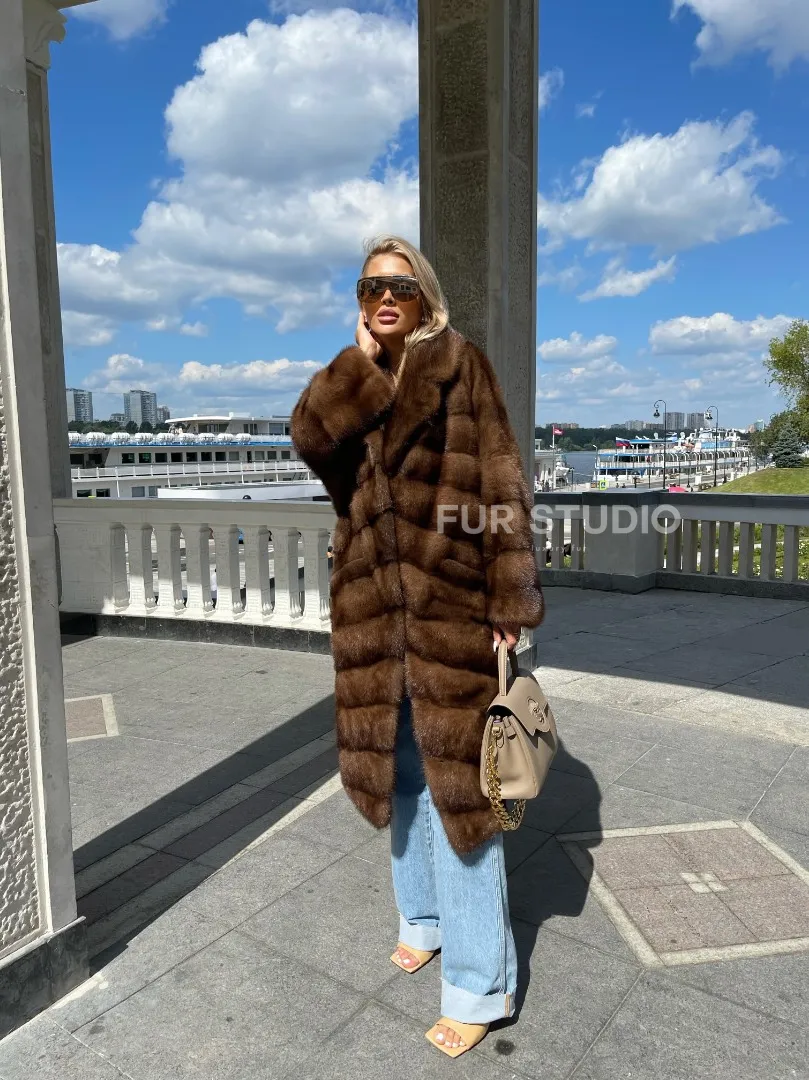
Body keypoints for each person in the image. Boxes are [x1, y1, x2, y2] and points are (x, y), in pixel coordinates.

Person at [290, 235, 544, 1059]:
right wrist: (354, 367)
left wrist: (507, 599)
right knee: (400, 778)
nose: (384, 298)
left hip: (449, 612)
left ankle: (479, 986)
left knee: (462, 800)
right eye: (370, 287)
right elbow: (309, 442)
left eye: (398, 286)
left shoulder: (461, 366)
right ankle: (423, 920)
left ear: (425, 296)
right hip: (372, 617)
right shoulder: (357, 382)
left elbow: (500, 484)